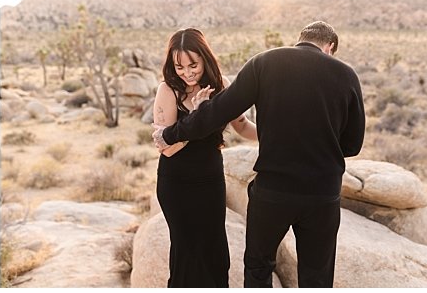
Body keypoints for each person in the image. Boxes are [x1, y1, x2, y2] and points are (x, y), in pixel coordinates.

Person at [153, 21, 365, 287]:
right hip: (322, 195)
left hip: (272, 192)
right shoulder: (346, 75)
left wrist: (169, 134)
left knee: (258, 266)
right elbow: (353, 145)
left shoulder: (264, 62)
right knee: (317, 275)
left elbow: (220, 112)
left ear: (299, 39)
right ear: (330, 47)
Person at [151, 28, 258, 288]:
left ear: (205, 59)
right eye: (179, 67)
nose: (187, 73)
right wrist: (200, 117)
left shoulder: (222, 86)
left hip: (210, 180)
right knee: (186, 251)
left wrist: (276, 134)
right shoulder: (168, 90)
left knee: (214, 250)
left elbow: (242, 126)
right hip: (176, 183)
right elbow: (167, 147)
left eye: (193, 65)